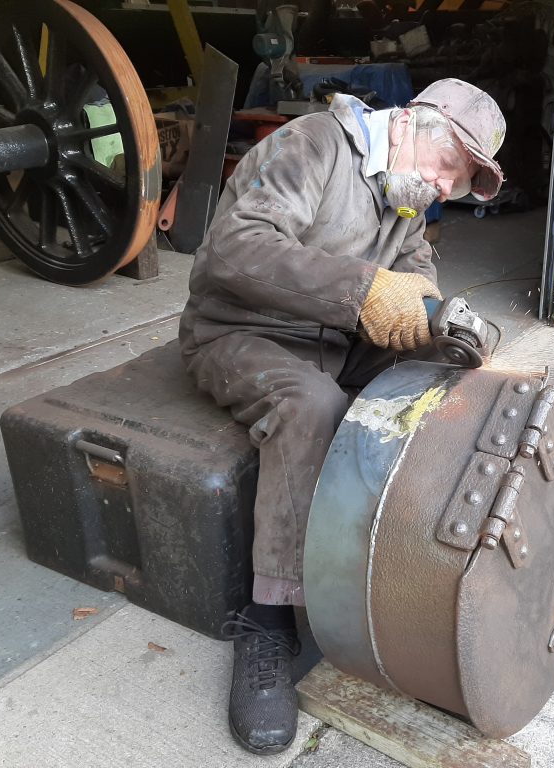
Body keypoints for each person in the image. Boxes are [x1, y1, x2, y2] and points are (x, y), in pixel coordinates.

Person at [178, 78, 506, 755]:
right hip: (240, 332)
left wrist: (444, 324)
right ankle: (268, 624)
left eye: (465, 178)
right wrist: (363, 293)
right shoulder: (313, 145)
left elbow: (415, 279)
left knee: (434, 383)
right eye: (453, 166)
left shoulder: (406, 199)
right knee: (312, 406)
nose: (449, 185)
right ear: (416, 125)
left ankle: (404, 564)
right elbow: (233, 250)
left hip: (330, 339)